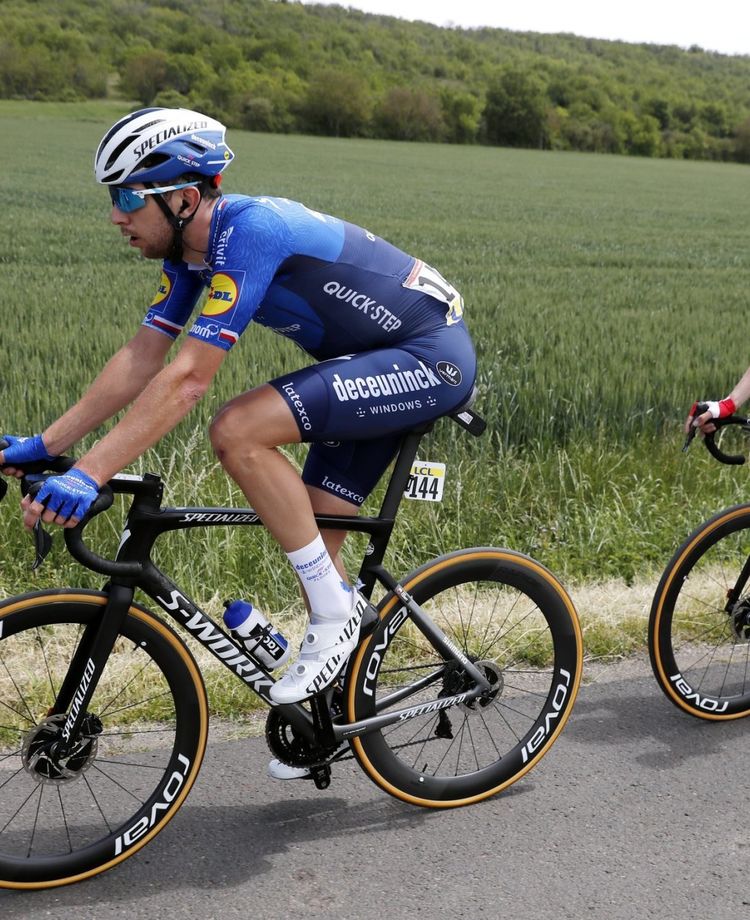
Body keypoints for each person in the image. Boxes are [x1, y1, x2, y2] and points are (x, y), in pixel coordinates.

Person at [0, 108, 477, 767]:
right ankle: (329, 720)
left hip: (427, 359)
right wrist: (43, 442)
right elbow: (142, 358)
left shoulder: (251, 231)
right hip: (363, 367)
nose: (115, 215)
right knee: (316, 546)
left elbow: (189, 379)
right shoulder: (192, 256)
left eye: (128, 195)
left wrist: (90, 474)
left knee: (238, 430)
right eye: (113, 197)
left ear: (185, 198)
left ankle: (336, 614)